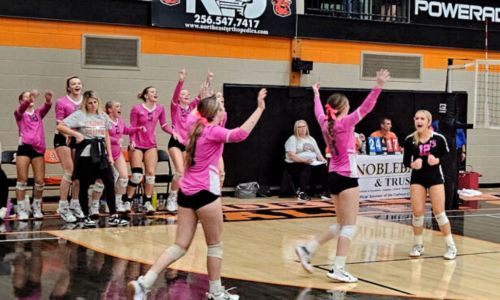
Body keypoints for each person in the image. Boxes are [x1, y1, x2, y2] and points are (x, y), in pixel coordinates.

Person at [128, 89, 267, 300]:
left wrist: (204, 96)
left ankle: (144, 283)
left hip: (186, 193)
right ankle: (216, 291)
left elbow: (197, 111)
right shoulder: (212, 131)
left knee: (179, 245)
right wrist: (259, 109)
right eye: (221, 107)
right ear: (214, 113)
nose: (223, 110)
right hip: (206, 193)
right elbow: (240, 134)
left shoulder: (193, 126)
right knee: (215, 245)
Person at [295, 69, 390, 283]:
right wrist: (379, 86)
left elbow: (318, 111)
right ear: (343, 109)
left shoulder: (324, 122)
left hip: (333, 176)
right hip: (347, 177)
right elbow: (366, 108)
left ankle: (307, 249)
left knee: (340, 224)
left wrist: (316, 95)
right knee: (349, 226)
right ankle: (338, 268)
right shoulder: (344, 124)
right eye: (347, 106)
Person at [57, 90, 126, 227]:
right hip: (86, 154)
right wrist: (76, 135)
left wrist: (110, 155)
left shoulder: (102, 115)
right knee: (84, 185)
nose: (93, 105)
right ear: (85, 103)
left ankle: (113, 215)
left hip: (101, 153)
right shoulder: (79, 115)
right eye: (90, 102)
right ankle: (86, 215)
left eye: (95, 102)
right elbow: (60, 126)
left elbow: (106, 134)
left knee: (110, 182)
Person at [403, 110, 457, 260]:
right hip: (417, 179)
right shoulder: (409, 140)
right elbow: (406, 161)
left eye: (422, 119)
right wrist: (413, 164)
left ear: (428, 122)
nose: (419, 121)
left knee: (439, 213)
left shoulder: (439, 139)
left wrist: (437, 160)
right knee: (418, 213)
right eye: (417, 118)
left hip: (435, 178)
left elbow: (449, 157)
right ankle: (418, 245)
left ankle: (451, 246)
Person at [167, 68, 214, 213]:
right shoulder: (175, 107)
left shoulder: (193, 107)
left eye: (187, 94)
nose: (186, 95)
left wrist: (208, 80)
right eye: (183, 94)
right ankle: (172, 198)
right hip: (175, 142)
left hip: (187, 144)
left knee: (188, 172)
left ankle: (185, 197)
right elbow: (175, 95)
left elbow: (202, 95)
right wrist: (181, 80)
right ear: (179, 98)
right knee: (180, 171)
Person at [124, 86, 175, 215]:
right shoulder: (137, 109)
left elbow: (163, 125)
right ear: (146, 96)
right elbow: (132, 127)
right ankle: (127, 200)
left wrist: (174, 133)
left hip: (151, 145)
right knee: (136, 175)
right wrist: (132, 141)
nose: (155, 93)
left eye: (156, 92)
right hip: (137, 144)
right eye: (152, 92)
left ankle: (147, 201)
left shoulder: (160, 108)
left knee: (151, 173)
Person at [13, 90, 53, 220]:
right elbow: (21, 108)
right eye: (25, 97)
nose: (29, 99)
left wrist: (47, 101)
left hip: (38, 149)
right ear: (21, 101)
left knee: (40, 181)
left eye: (30, 96)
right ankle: (21, 209)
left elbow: (46, 108)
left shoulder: (38, 113)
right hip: (24, 148)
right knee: (22, 180)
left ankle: (36, 207)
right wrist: (27, 100)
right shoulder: (19, 114)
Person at [105, 101, 144, 215]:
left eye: (120, 106)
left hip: (117, 153)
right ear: (109, 109)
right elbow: (103, 135)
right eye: (117, 106)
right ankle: (105, 203)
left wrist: (138, 129)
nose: (120, 108)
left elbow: (126, 130)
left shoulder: (120, 120)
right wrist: (115, 140)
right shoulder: (105, 121)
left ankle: (118, 201)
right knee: (108, 180)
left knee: (123, 178)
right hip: (107, 153)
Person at [54, 76, 84, 223]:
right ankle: (63, 206)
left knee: (78, 174)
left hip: (78, 138)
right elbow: (59, 123)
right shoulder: (61, 101)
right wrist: (68, 134)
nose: (77, 85)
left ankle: (75, 204)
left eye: (79, 83)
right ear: (68, 88)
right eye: (73, 84)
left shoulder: (85, 101)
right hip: (63, 137)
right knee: (69, 171)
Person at [284, 120, 329, 201]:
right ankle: (301, 193)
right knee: (306, 167)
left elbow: (318, 153)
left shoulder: (311, 139)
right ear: (296, 129)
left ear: (307, 128)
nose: (302, 129)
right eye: (299, 127)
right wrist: (304, 161)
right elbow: (291, 155)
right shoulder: (293, 138)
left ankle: (325, 192)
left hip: (312, 163)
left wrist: (324, 161)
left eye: (304, 126)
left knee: (325, 167)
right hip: (295, 164)